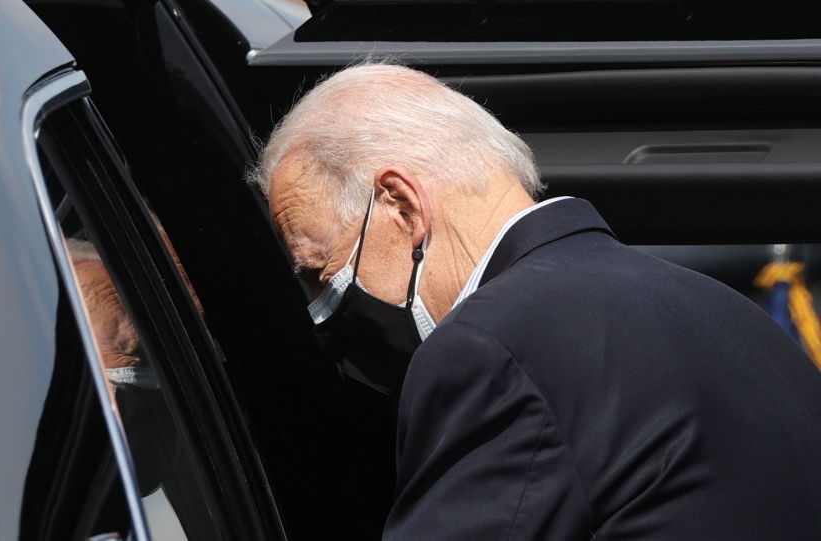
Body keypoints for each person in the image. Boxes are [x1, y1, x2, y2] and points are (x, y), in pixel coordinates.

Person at [248, 63, 821, 540]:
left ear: (401, 206)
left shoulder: (486, 351)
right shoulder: (739, 318)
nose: (319, 311)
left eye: (320, 271)